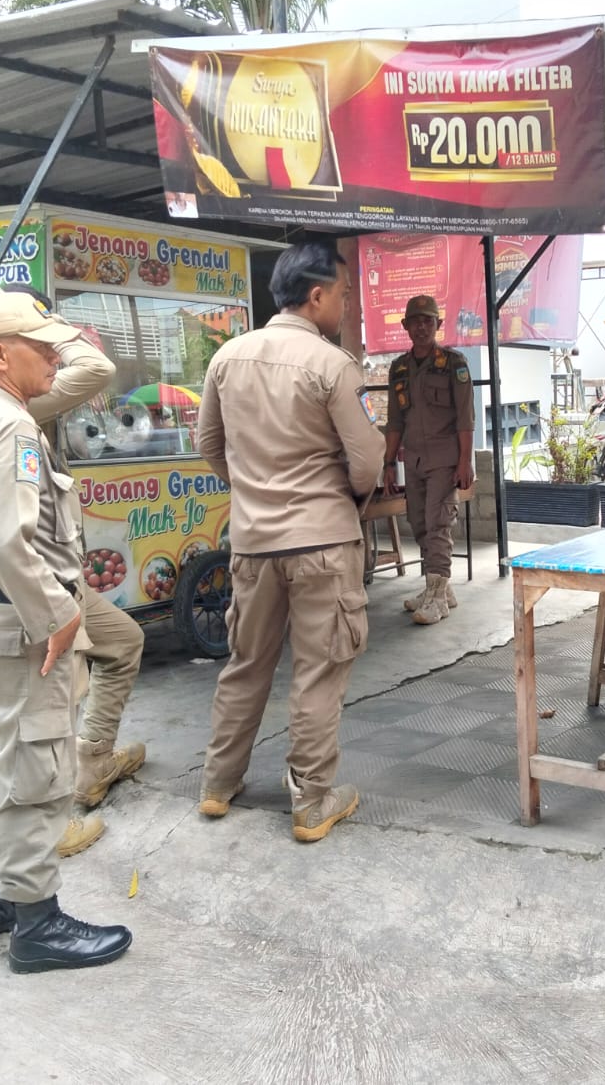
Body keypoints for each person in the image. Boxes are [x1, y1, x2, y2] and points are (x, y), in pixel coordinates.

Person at [0, 291, 131, 974]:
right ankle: (35, 922)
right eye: (41, 347)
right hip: (20, 627)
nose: (55, 357)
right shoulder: (12, 427)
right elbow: (7, 540)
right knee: (38, 773)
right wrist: (60, 614)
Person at [194, 240, 384, 843]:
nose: (347, 305)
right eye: (345, 294)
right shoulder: (333, 364)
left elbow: (208, 445)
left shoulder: (227, 357)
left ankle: (218, 785)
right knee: (319, 671)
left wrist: (250, 491)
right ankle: (310, 801)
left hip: (252, 544)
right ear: (318, 294)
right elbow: (367, 459)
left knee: (245, 665)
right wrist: (345, 500)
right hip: (323, 541)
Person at [382, 295, 475, 626]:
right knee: (419, 523)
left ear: (438, 324)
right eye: (415, 321)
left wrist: (465, 462)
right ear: (405, 326)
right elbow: (395, 422)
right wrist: (389, 463)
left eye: (428, 320)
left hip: (446, 459)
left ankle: (437, 597)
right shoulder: (400, 369)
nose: (421, 326)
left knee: (437, 524)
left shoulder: (454, 364)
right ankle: (438, 588)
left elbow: (466, 419)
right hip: (416, 460)